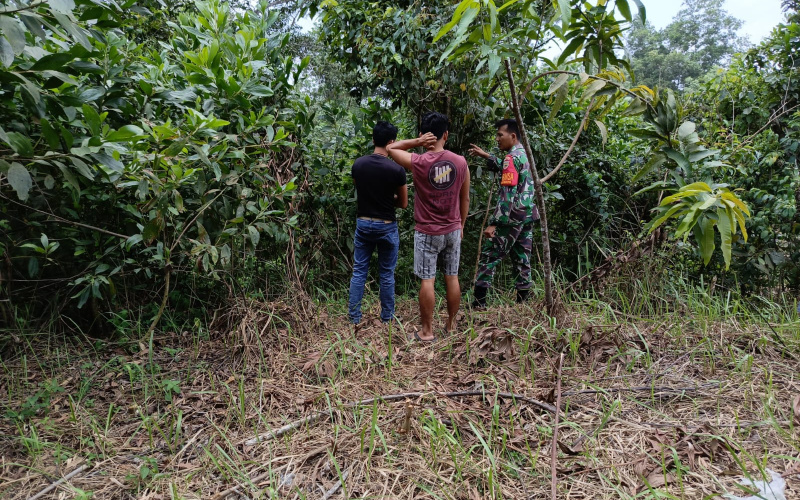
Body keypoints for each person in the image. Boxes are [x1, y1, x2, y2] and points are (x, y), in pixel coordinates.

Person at [387, 112, 470, 341]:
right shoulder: (461, 162)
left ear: (424, 135)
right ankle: (451, 327)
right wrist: (461, 225)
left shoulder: (418, 161)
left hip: (426, 231)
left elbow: (391, 149)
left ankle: (427, 331)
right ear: (446, 134)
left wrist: (417, 142)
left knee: (428, 280)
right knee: (451, 277)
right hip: (453, 228)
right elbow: (465, 200)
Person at [468, 118, 539, 308]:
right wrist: (486, 156)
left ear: (513, 136)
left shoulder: (510, 158)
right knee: (522, 258)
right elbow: (511, 170)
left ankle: (479, 303)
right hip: (527, 215)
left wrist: (495, 223)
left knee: (489, 256)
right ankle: (523, 302)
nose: (497, 139)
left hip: (511, 218)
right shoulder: (524, 155)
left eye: (500, 135)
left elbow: (507, 195)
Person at [347, 121, 408, 326]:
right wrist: (388, 198)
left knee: (359, 271)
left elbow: (360, 190)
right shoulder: (397, 170)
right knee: (386, 274)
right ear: (392, 142)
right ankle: (387, 318)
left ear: (373, 139)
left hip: (363, 223)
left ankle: (354, 318)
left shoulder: (358, 165)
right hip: (387, 225)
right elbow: (404, 203)